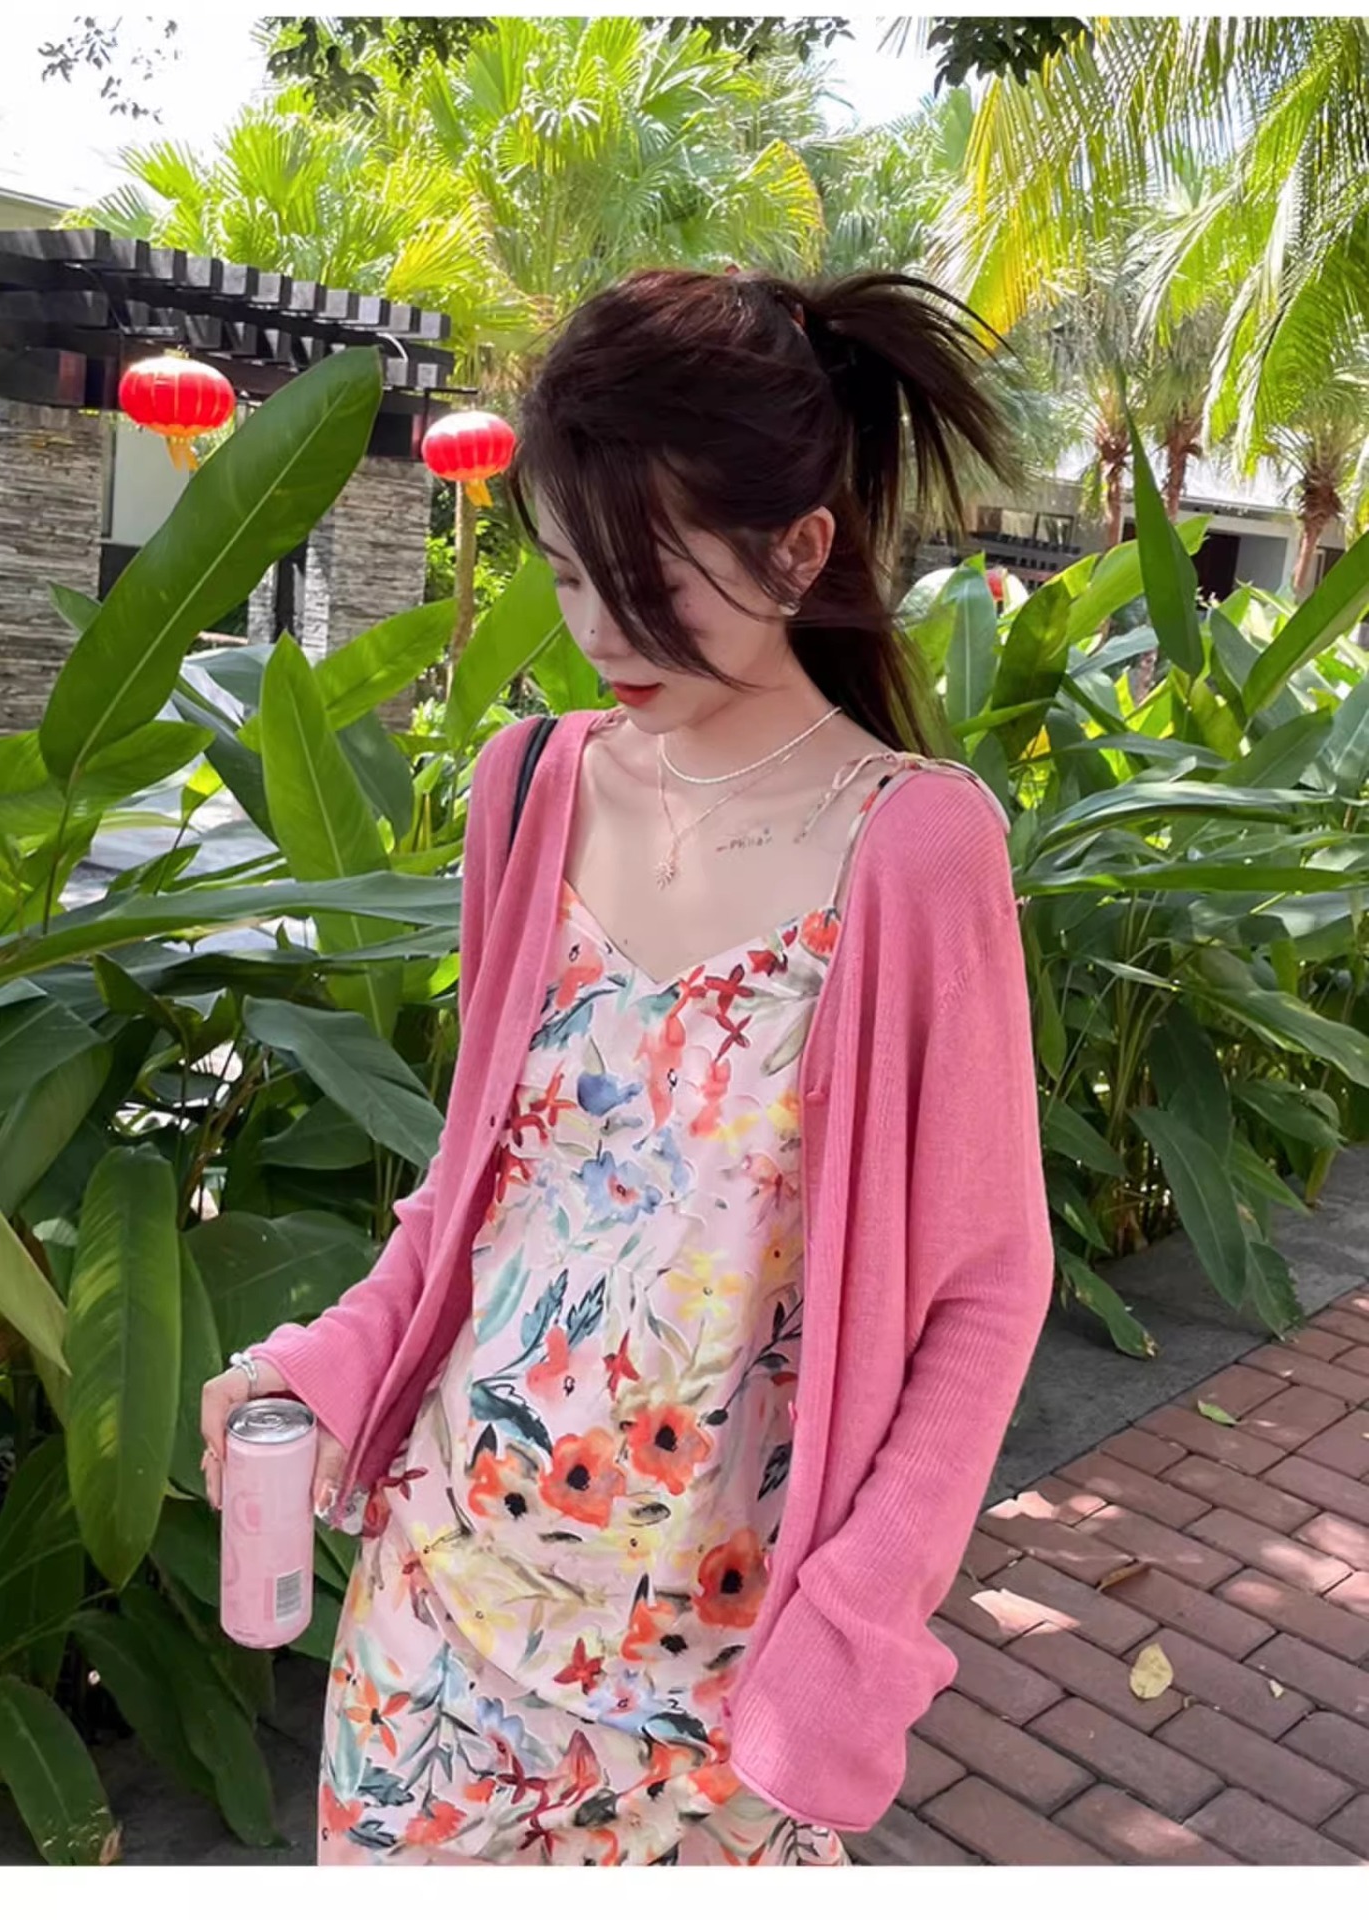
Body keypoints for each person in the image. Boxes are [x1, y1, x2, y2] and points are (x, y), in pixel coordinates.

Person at [201, 267, 1054, 1866]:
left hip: (721, 1684)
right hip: (437, 1615)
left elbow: (986, 1289)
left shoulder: (913, 845)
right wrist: (327, 1361)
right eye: (566, 576)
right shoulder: (527, 787)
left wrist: (856, 1623)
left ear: (799, 549)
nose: (598, 634)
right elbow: (485, 1187)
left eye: (647, 584)